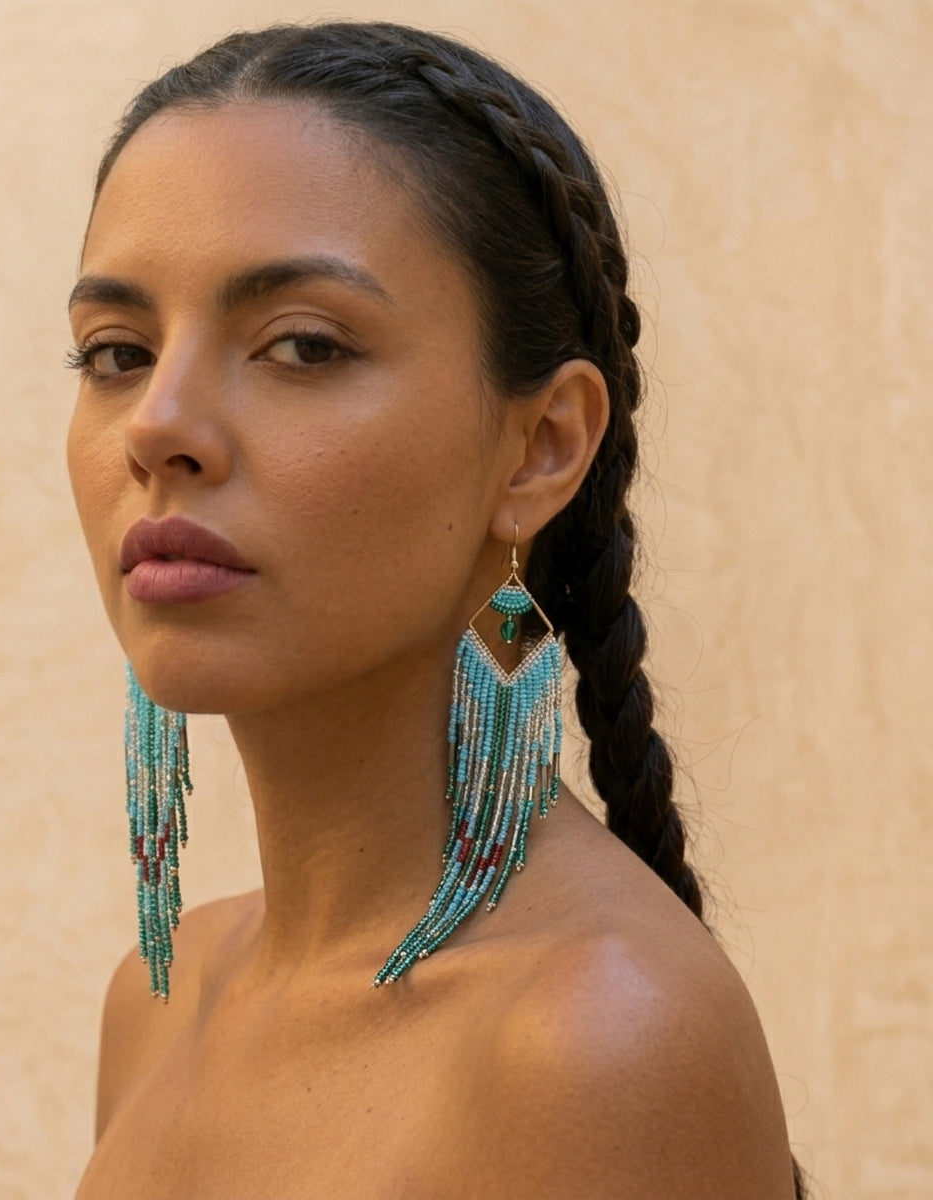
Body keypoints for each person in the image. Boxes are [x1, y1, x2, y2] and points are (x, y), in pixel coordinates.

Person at [65, 21, 806, 1199]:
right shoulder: (161, 996)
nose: (158, 425)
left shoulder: (593, 1036)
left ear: (540, 446)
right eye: (115, 353)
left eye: (302, 345)